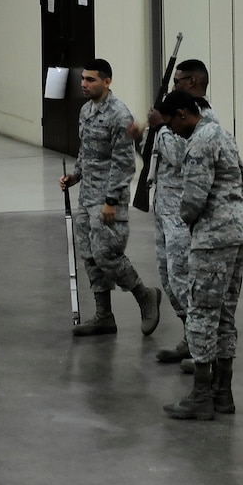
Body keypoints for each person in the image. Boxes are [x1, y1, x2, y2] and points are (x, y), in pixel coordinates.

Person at [158, 91, 243, 421]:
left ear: (183, 114)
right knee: (225, 314)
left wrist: (186, 220)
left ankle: (201, 396)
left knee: (201, 313)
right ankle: (222, 394)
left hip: (212, 239)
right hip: (238, 233)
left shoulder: (199, 142)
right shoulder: (222, 133)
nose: (173, 130)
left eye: (172, 123)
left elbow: (193, 200)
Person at [59, 58, 161, 339]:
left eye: (90, 79)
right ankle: (104, 315)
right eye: (83, 79)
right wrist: (75, 176)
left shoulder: (118, 114)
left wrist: (112, 201)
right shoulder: (86, 111)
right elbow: (86, 150)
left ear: (107, 82)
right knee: (91, 256)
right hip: (87, 196)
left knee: (106, 255)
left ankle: (145, 295)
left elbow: (125, 163)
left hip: (108, 199)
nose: (84, 84)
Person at [145, 59, 215, 368]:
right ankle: (190, 339)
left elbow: (177, 158)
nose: (173, 86)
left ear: (192, 82)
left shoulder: (204, 120)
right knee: (169, 277)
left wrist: (161, 126)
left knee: (184, 278)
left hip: (182, 214)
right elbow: (159, 158)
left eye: (177, 81)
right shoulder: (177, 118)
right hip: (164, 208)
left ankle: (202, 350)